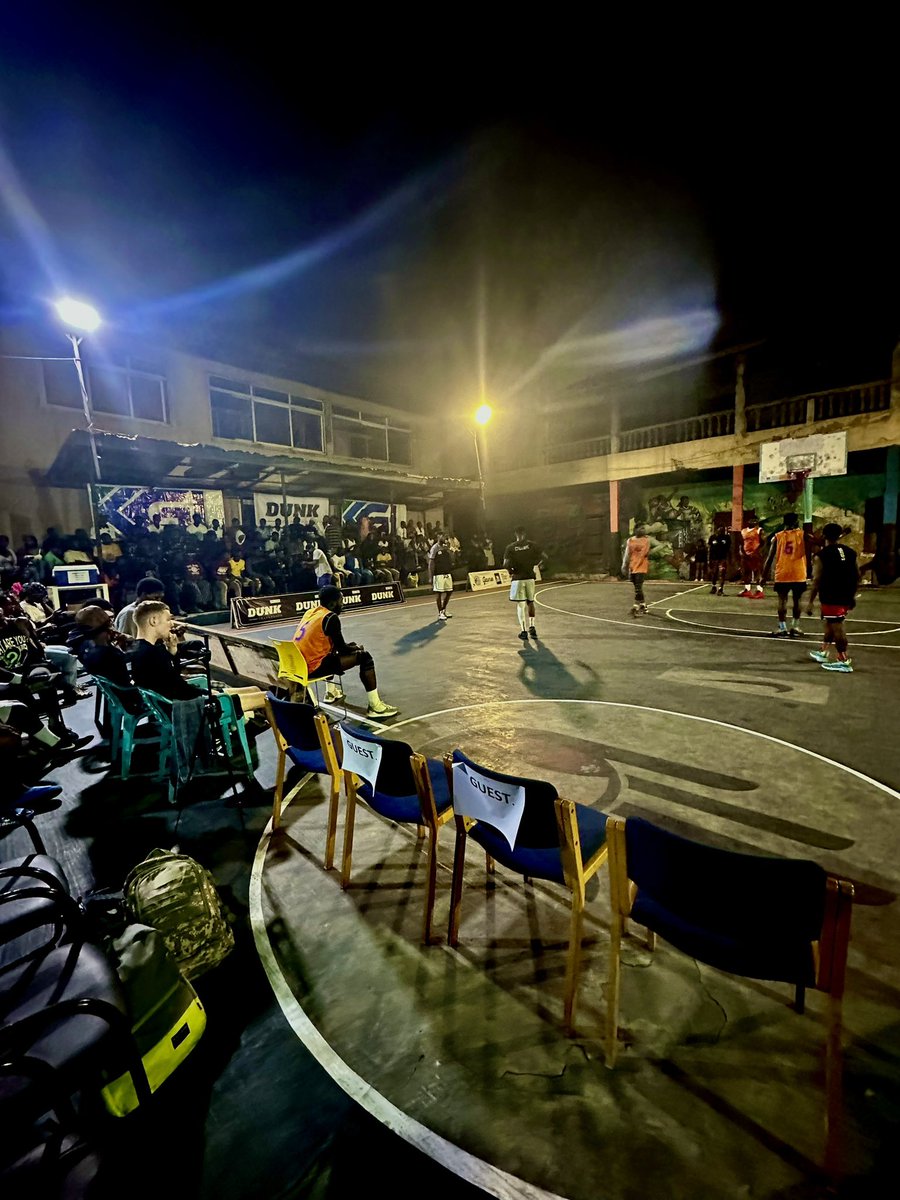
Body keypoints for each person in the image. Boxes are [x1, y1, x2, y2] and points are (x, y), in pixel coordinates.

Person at [131, 601, 266, 710]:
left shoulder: (137, 649)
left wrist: (173, 651)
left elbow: (171, 681)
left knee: (255, 689)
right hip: (191, 707)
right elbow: (180, 689)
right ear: (153, 621)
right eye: (168, 619)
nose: (171, 624)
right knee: (266, 698)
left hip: (171, 704)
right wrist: (209, 693)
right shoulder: (153, 653)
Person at [292, 585, 399, 717]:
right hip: (313, 666)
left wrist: (349, 647)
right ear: (333, 602)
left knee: (329, 652)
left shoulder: (311, 612)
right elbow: (342, 649)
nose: (342, 604)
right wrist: (356, 648)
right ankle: (375, 707)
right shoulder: (330, 617)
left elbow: (333, 645)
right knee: (365, 657)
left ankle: (330, 692)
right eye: (340, 601)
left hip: (298, 664)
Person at [806, 523, 859, 673]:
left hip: (831, 595)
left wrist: (810, 602)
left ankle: (843, 660)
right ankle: (823, 651)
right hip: (846, 594)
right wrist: (852, 595)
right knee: (831, 623)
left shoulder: (822, 555)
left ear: (824, 536)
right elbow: (857, 575)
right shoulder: (850, 552)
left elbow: (817, 580)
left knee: (837, 627)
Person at [764, 513, 810, 638]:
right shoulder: (802, 535)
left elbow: (769, 558)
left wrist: (763, 576)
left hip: (783, 573)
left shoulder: (777, 537)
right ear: (796, 522)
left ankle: (782, 627)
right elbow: (818, 542)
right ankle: (795, 626)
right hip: (798, 572)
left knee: (782, 600)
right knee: (797, 600)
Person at [70, 606, 133, 688]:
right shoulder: (112, 655)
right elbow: (125, 682)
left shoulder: (86, 649)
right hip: (130, 697)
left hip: (112, 695)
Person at [503, 526, 545, 641]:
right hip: (530, 577)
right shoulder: (532, 545)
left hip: (518, 578)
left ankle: (523, 631)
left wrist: (511, 572)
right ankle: (532, 627)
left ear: (515, 534)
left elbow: (505, 564)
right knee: (530, 602)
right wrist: (535, 564)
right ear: (525, 534)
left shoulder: (510, 548)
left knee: (520, 604)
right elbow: (543, 556)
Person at [621, 524, 650, 617]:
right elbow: (627, 553)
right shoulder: (630, 540)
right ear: (636, 529)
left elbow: (643, 553)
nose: (643, 530)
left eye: (643, 528)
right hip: (632, 567)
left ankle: (635, 607)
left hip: (641, 567)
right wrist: (624, 565)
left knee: (638, 587)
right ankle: (643, 605)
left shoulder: (646, 541)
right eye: (641, 528)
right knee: (637, 587)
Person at [429, 534, 454, 621]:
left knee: (449, 591)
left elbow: (452, 558)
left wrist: (450, 549)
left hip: (447, 573)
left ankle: (444, 609)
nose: (444, 538)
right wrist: (431, 576)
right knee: (439, 593)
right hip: (438, 574)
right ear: (438, 537)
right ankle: (440, 612)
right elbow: (431, 563)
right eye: (442, 536)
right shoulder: (434, 548)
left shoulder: (446, 547)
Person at [739, 522, 766, 598]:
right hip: (745, 554)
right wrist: (742, 552)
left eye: (755, 520)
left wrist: (758, 552)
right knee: (746, 572)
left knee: (757, 571)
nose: (753, 522)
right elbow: (741, 543)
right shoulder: (743, 531)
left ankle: (759, 591)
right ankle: (747, 590)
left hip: (756, 554)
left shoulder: (759, 530)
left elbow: (764, 542)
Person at [707, 527, 730, 595]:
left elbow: (729, 548)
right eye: (719, 529)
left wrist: (729, 558)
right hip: (714, 558)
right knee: (714, 573)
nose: (720, 531)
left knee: (722, 573)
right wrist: (709, 559)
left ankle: (720, 588)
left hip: (722, 558)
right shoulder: (712, 537)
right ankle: (713, 586)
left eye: (722, 530)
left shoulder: (727, 537)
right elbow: (709, 548)